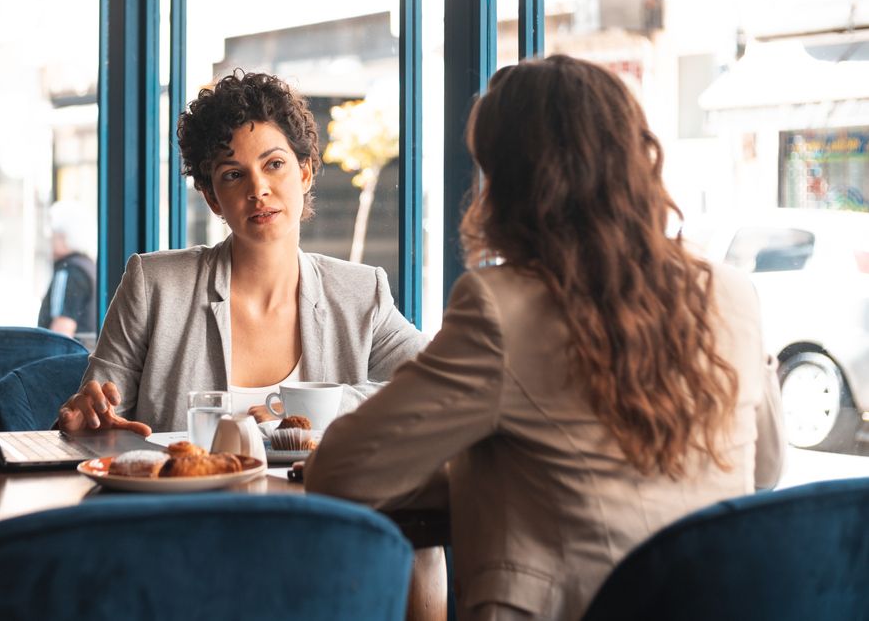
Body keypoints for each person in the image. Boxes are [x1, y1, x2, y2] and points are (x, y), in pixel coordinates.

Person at [304, 55, 785, 621]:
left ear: (516, 183)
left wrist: (476, 455)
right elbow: (766, 468)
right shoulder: (732, 293)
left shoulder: (503, 308)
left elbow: (341, 472)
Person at [57, 70, 427, 435]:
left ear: (305, 173)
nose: (258, 189)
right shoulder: (154, 286)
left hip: (312, 495)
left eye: (275, 164)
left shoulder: (361, 294)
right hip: (183, 494)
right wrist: (81, 420)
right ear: (212, 198)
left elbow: (439, 383)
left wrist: (326, 408)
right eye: (234, 174)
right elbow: (95, 419)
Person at [37, 200, 97, 338]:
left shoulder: (69, 270)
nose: (50, 241)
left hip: (70, 356)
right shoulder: (89, 266)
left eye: (53, 235)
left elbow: (61, 330)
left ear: (65, 237)